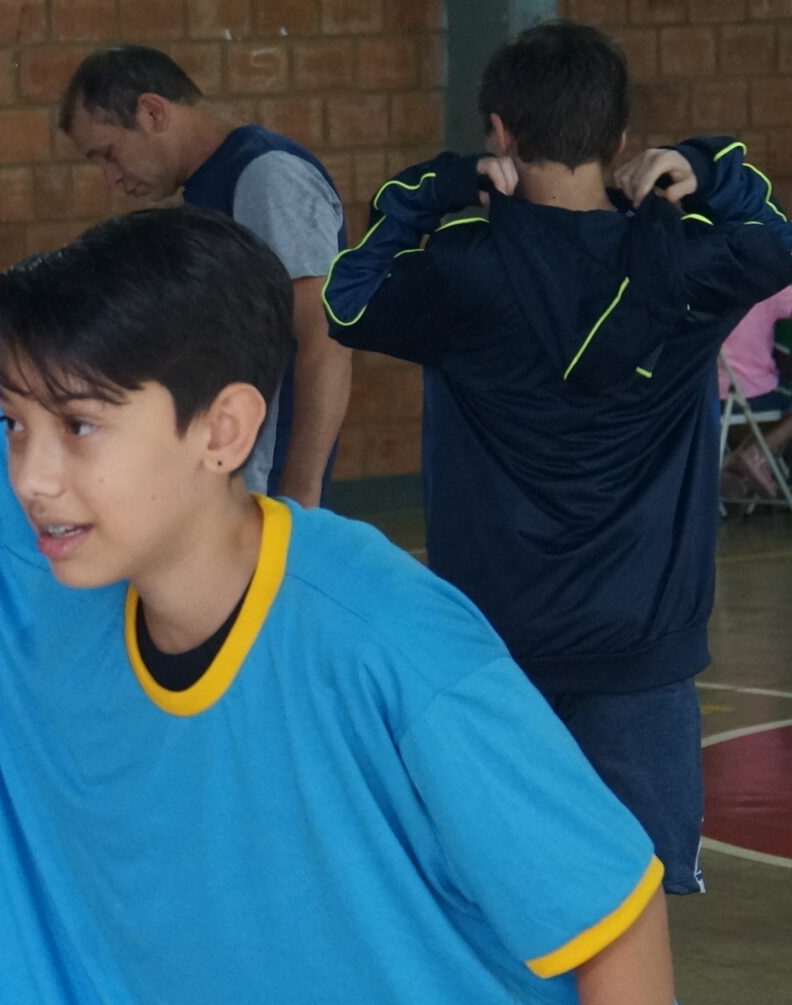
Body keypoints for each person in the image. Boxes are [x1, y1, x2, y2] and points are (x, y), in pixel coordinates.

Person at [0, 202, 774, 1005]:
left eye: (78, 426)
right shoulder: (66, 643)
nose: (31, 474)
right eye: (13, 424)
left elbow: (613, 918)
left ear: (224, 429)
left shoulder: (387, 641)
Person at [323, 20, 792, 899]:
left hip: (496, 652)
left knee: (499, 906)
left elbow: (346, 300)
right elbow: (775, 241)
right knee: (633, 914)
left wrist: (437, 188)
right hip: (644, 655)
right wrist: (708, 169)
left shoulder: (464, 266)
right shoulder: (687, 258)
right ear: (621, 140)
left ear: (500, 132)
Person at [58, 45, 348, 507]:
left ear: (152, 112)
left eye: (109, 154)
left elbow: (326, 338)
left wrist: (302, 491)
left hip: (269, 476)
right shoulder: (207, 188)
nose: (112, 177)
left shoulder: (266, 176)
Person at [719, 284, 792, 492]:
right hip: (751, 392)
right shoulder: (765, 283)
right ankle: (757, 454)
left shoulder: (705, 280)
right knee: (782, 402)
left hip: (705, 397)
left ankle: (730, 464)